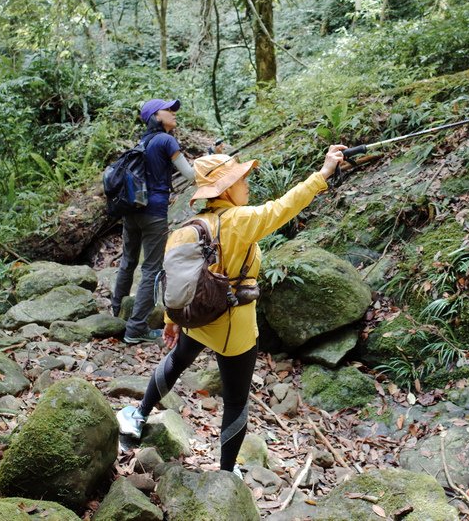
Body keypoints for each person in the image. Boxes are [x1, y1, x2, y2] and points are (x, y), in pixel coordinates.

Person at [116, 143, 347, 475]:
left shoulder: (190, 225)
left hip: (197, 318)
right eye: (241, 179)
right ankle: (226, 473)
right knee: (236, 401)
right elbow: (285, 207)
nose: (247, 184)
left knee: (177, 360)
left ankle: (138, 415)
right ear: (225, 188)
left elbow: (176, 279)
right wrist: (323, 172)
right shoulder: (239, 221)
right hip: (233, 328)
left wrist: (172, 319)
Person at [112, 98, 195, 344]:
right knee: (151, 268)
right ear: (156, 117)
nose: (173, 113)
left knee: (128, 261)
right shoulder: (167, 140)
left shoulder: (143, 142)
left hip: (132, 211)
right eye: (168, 110)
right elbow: (190, 175)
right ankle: (136, 329)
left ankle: (117, 312)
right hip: (155, 213)